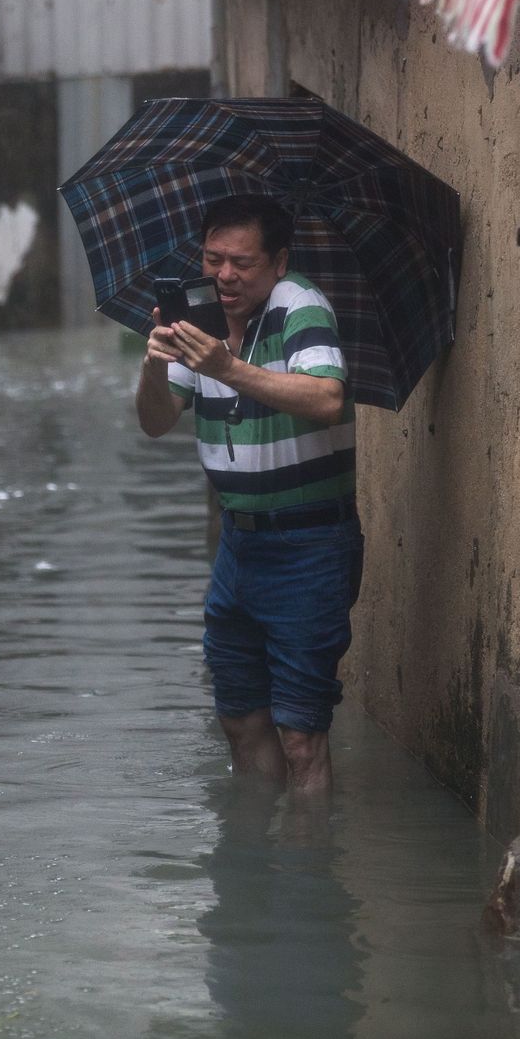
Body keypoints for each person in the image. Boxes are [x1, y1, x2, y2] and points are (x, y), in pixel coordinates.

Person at [135, 194, 363, 794]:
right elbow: (155, 422)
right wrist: (154, 363)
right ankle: (256, 841)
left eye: (242, 262)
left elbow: (327, 398)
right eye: (213, 260)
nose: (225, 275)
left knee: (301, 734)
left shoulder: (300, 305)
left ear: (278, 261)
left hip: (309, 541)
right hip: (238, 546)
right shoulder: (198, 320)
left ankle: (307, 850)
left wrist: (227, 368)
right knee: (239, 720)